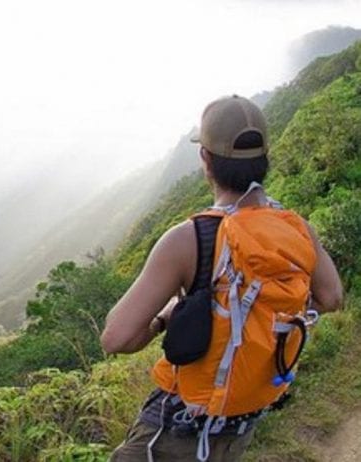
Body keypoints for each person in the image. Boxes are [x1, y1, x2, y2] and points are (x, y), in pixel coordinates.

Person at [100, 95, 343, 462]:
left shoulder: (189, 239)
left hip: (177, 423)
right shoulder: (296, 228)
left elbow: (116, 337)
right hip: (242, 419)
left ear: (206, 161)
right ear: (265, 161)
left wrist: (166, 316)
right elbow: (332, 297)